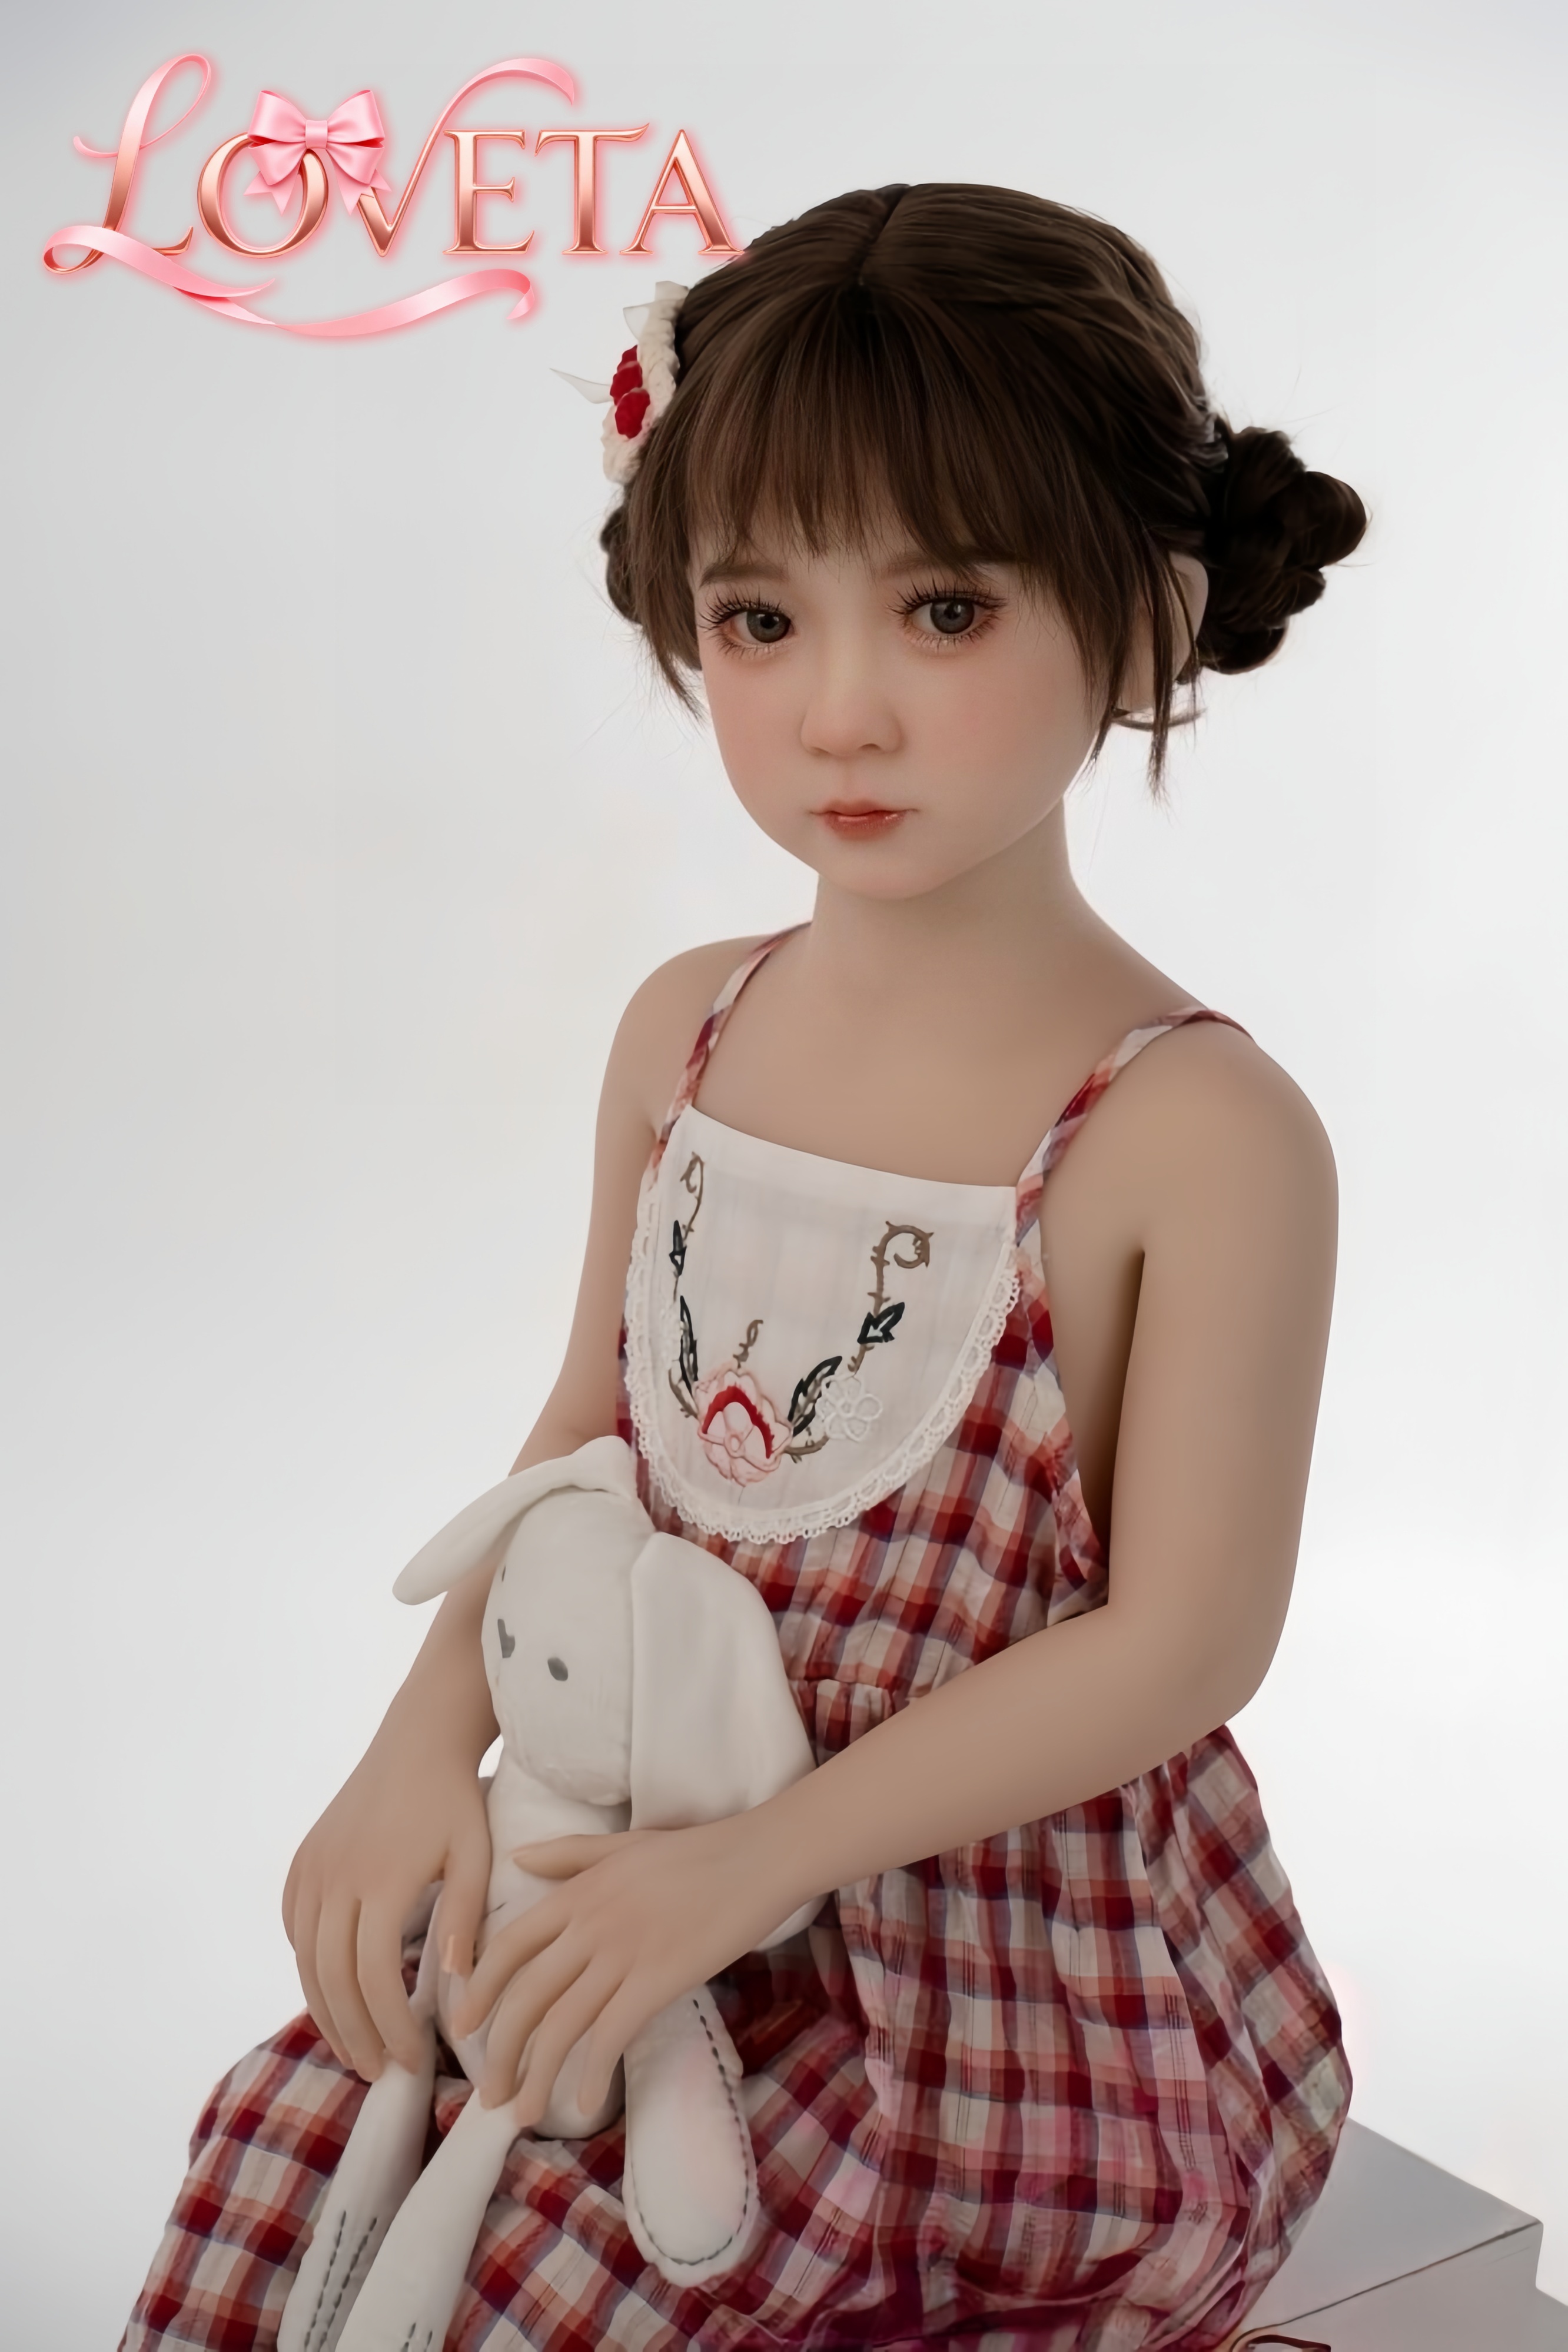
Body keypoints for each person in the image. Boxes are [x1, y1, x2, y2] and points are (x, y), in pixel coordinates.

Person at [124, 181, 1367, 2351]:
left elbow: (1184, 1641)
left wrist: (752, 1869)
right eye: (763, 618)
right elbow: (587, 1442)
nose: (841, 711)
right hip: (637, 1863)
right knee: (286, 2146)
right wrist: (419, 1740)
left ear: (1149, 616)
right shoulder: (685, 1028)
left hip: (987, 1969)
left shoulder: (1192, 1131)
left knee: (571, 2284)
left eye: (948, 609)